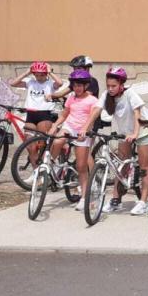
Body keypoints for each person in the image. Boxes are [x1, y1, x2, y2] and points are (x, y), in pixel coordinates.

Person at [89, 67, 148, 216]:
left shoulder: (130, 94)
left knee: (144, 167)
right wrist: (85, 128)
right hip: (125, 133)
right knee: (121, 166)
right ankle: (115, 200)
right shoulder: (107, 95)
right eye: (108, 86)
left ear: (121, 85)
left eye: (114, 86)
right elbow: (96, 110)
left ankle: (143, 201)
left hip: (141, 131)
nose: (110, 89)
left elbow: (137, 114)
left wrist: (136, 133)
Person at [48, 69, 99, 212]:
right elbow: (64, 115)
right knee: (57, 140)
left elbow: (92, 118)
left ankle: (84, 198)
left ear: (86, 86)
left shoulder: (92, 100)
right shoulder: (71, 98)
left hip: (83, 131)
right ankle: (53, 165)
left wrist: (85, 130)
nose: (77, 88)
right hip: (69, 126)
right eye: (75, 85)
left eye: (79, 85)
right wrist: (54, 126)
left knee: (81, 167)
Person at [8, 61, 63, 164]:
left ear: (45, 74)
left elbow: (60, 83)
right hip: (31, 115)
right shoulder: (30, 82)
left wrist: (50, 72)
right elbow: (13, 83)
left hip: (45, 115)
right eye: (36, 75)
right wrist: (27, 72)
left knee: (43, 146)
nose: (39, 77)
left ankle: (44, 171)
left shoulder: (50, 84)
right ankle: (35, 172)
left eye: (41, 75)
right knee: (30, 147)